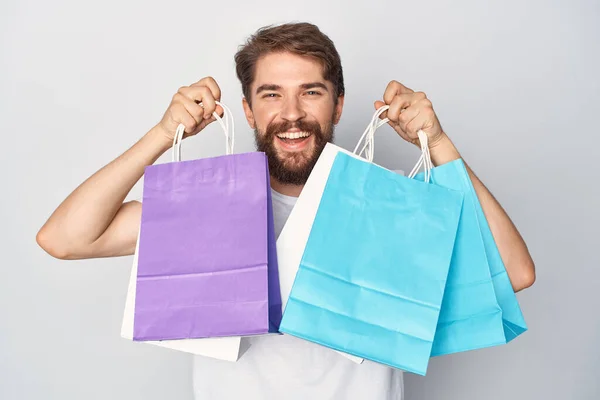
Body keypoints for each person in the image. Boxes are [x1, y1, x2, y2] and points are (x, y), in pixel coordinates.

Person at [36, 22, 536, 400]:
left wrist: (441, 142)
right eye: (271, 94)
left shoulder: (396, 212)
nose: (292, 113)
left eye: (311, 93)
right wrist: (162, 135)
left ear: (338, 106)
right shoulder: (200, 213)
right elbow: (65, 238)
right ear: (248, 111)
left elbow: (514, 271)